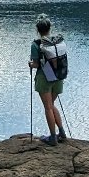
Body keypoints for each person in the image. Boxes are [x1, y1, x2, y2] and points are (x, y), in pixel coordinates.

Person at [29, 14, 67, 145]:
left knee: (48, 107)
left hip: (44, 79)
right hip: (59, 77)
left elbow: (36, 64)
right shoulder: (58, 41)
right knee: (51, 105)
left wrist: (30, 64)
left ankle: (53, 138)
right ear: (50, 27)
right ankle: (61, 133)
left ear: (37, 29)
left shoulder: (36, 44)